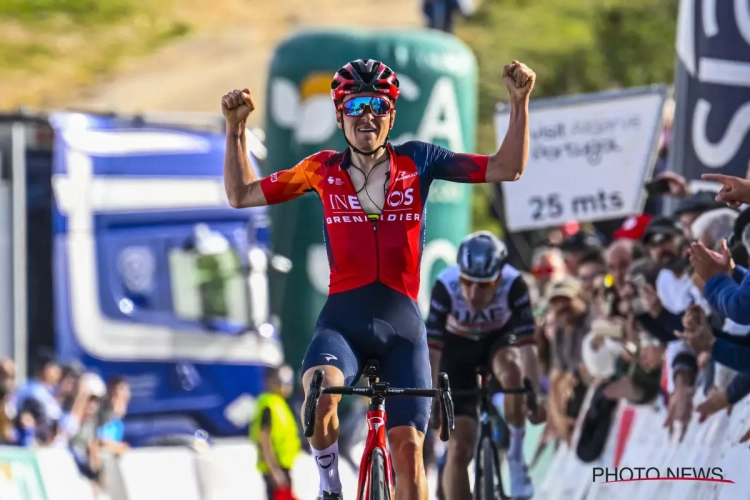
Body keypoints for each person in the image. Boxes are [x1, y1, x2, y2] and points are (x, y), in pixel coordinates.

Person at [222, 57, 536, 500]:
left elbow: (507, 168)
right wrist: (236, 131)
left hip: (402, 328)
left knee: (409, 454)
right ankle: (330, 486)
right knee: (321, 394)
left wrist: (519, 102)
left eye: (377, 105)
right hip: (342, 324)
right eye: (355, 105)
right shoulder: (320, 169)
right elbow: (241, 195)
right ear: (339, 115)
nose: (366, 115)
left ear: (391, 114)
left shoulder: (419, 160)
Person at [426, 231, 545, 499]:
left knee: (513, 369)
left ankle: (515, 456)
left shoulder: (515, 285)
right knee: (459, 450)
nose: (472, 293)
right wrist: (432, 395)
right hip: (457, 351)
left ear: (499, 278)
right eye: (467, 282)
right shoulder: (445, 284)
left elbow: (527, 346)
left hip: (497, 342)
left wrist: (533, 394)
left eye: (483, 285)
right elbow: (432, 349)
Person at [250, 365, 301, 500]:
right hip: (274, 468)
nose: (287, 385)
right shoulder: (269, 405)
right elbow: (264, 440)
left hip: (284, 466)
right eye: (282, 381)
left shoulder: (280, 404)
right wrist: (275, 471)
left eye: (289, 381)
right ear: (270, 382)